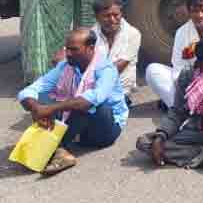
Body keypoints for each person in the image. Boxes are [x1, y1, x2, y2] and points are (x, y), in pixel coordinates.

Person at [17, 27, 128, 175]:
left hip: (104, 130)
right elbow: (30, 90)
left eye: (74, 49)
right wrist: (36, 108)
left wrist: (50, 110)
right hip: (77, 126)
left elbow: (92, 99)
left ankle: (52, 147)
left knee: (93, 105)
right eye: (67, 49)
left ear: (90, 48)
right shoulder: (65, 65)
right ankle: (59, 151)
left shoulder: (107, 68)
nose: (68, 54)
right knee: (41, 99)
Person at [135, 37, 203, 170]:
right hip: (198, 130)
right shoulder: (188, 74)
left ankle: (197, 157)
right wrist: (161, 136)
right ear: (199, 63)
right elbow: (178, 112)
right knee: (145, 143)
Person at [92, 0, 141, 101]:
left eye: (116, 15)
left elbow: (118, 68)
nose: (112, 20)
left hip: (120, 91)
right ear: (97, 17)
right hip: (94, 89)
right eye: (106, 16)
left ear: (121, 14)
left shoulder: (133, 34)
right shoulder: (91, 34)